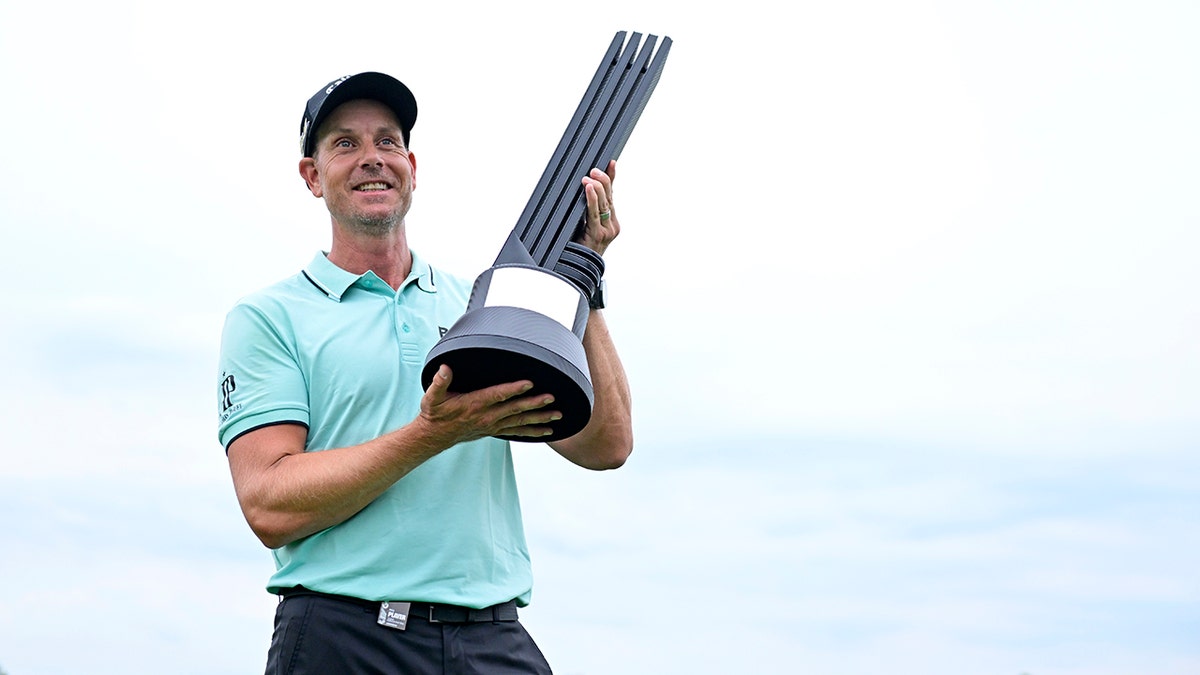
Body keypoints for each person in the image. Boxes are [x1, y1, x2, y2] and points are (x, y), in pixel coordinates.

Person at [216, 72, 633, 674]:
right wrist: (432, 433)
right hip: (344, 638)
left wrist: (583, 274)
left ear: (412, 165)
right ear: (312, 176)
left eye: (387, 142)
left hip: (491, 637)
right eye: (344, 144)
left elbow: (607, 445)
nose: (371, 160)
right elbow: (269, 505)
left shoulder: (483, 309)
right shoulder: (269, 317)